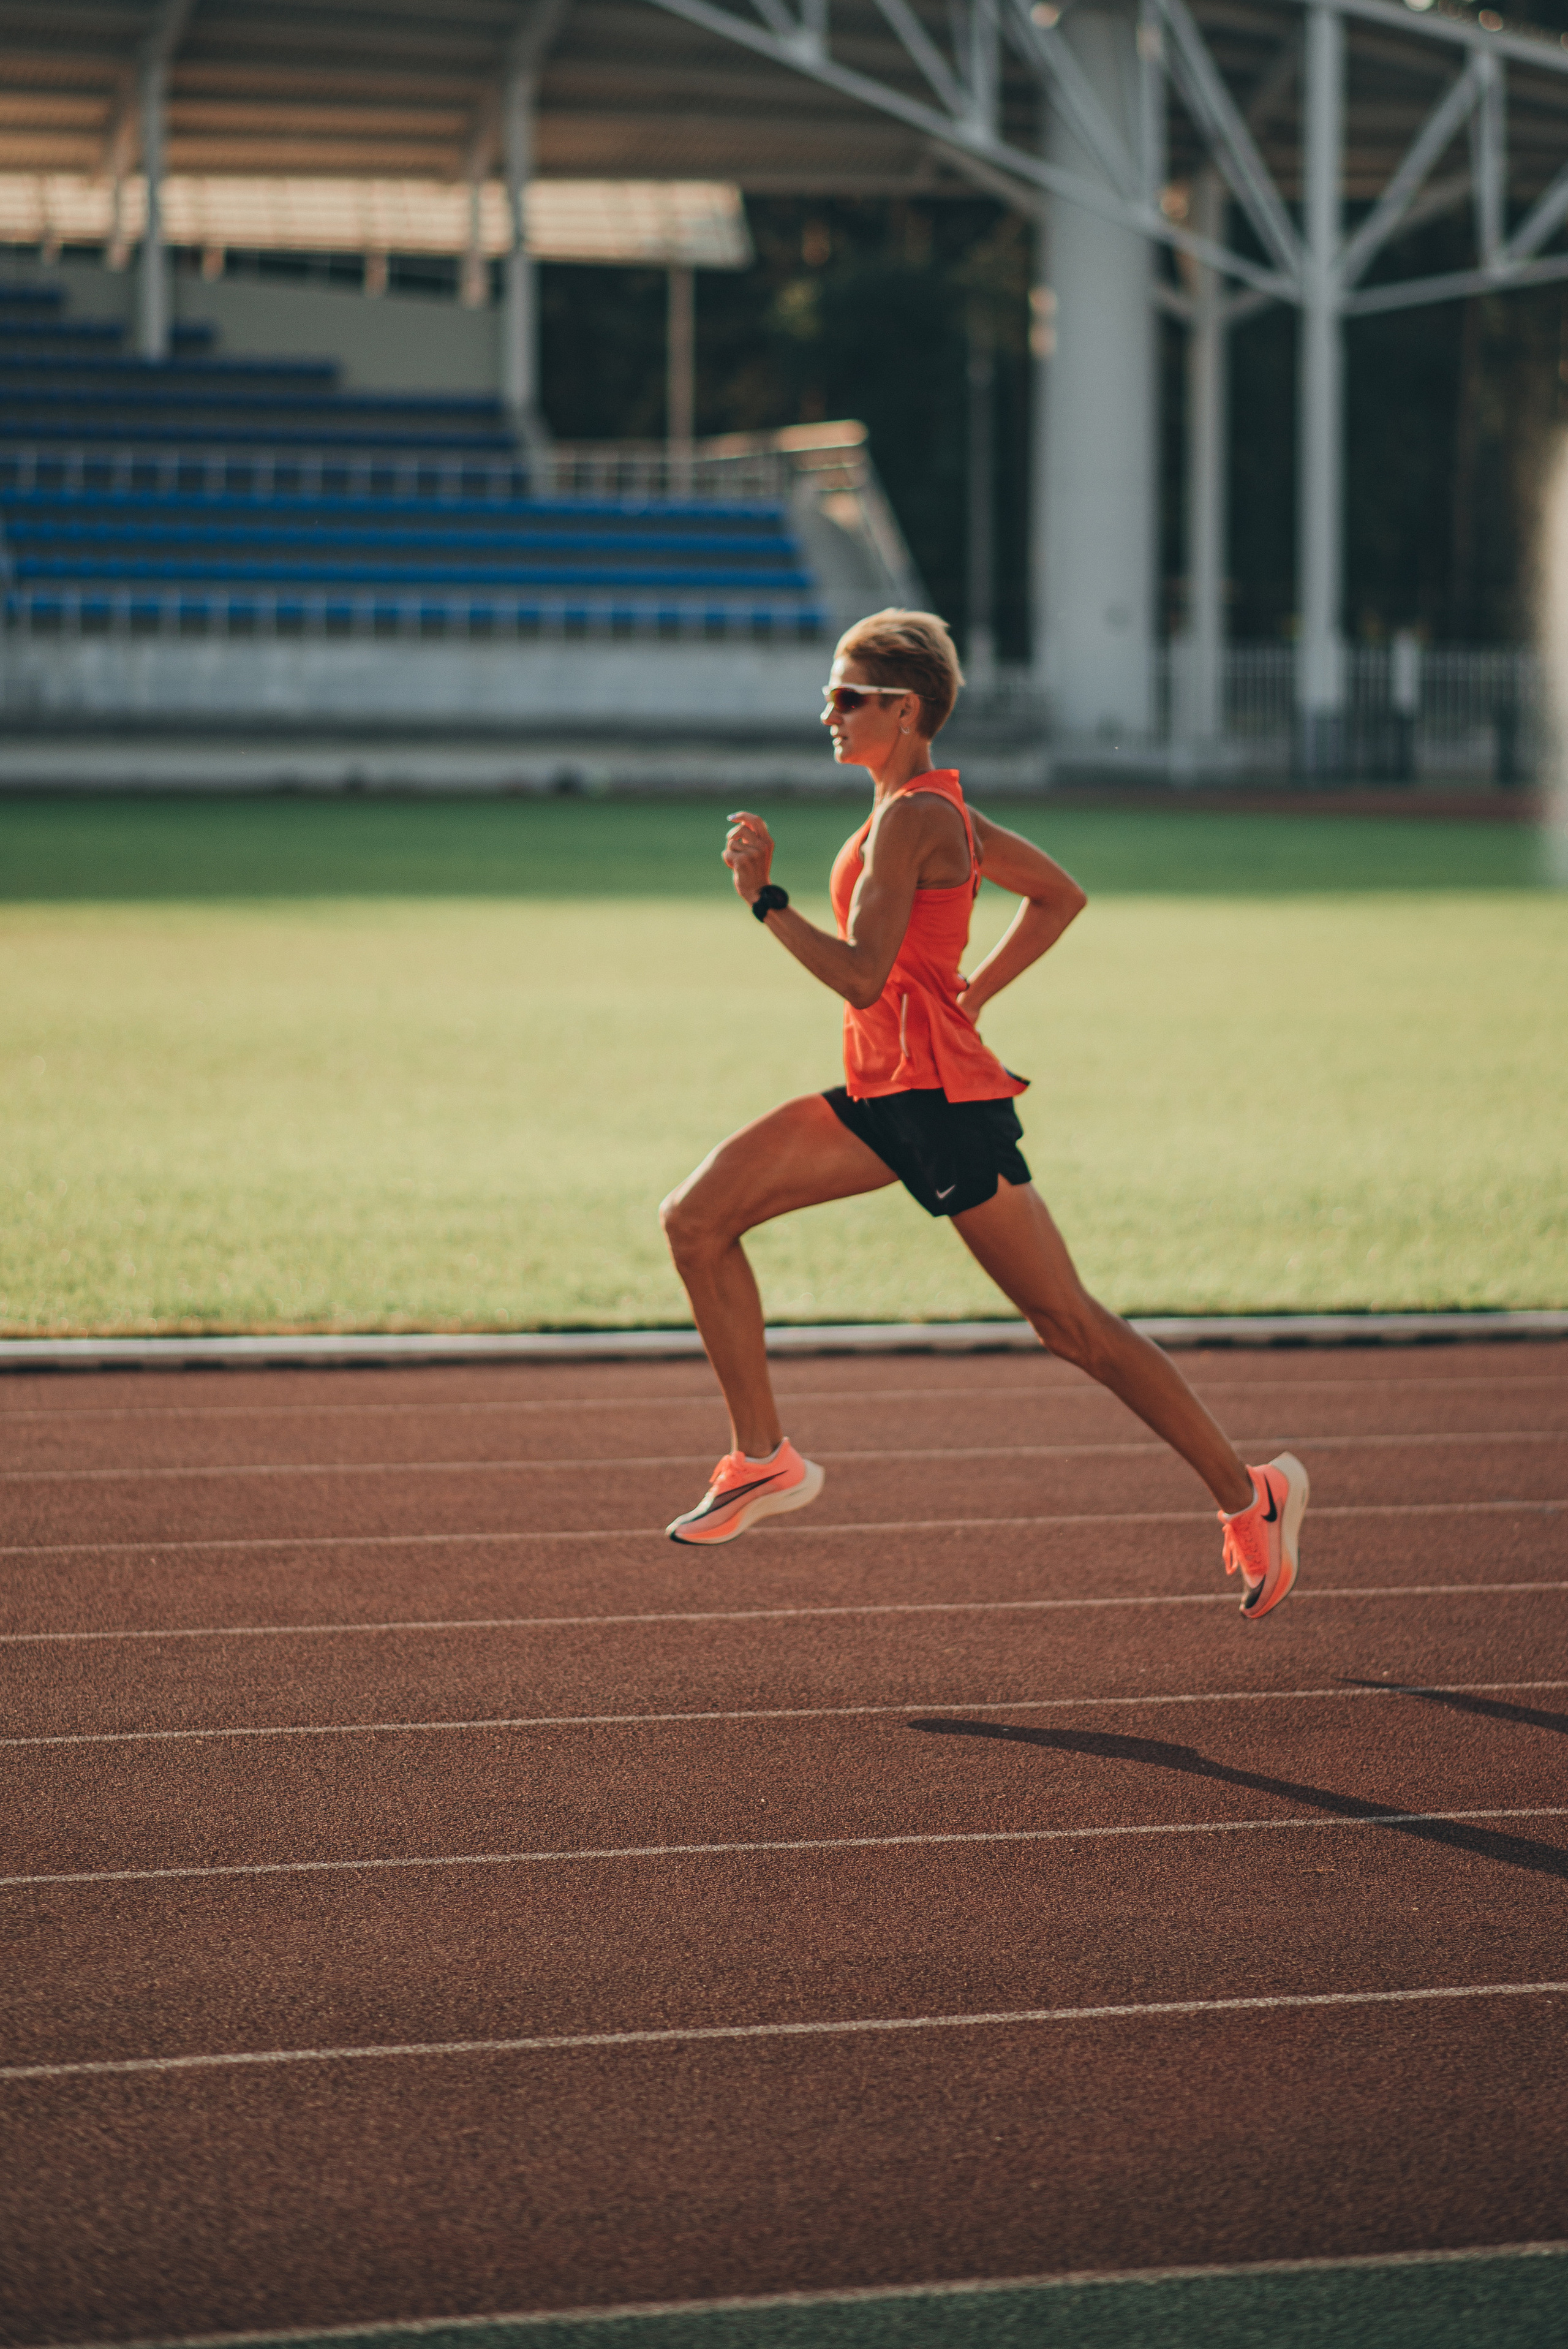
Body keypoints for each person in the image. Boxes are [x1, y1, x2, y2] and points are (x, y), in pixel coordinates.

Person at [659, 608, 1307, 1619]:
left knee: (1072, 1326)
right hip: (884, 1097)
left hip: (944, 1108)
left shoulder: (918, 817)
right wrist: (974, 990)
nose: (826, 711)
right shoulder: (927, 811)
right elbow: (1058, 894)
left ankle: (1250, 1494)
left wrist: (766, 900)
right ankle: (763, 1460)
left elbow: (866, 976)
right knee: (696, 1220)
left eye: (846, 697)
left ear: (903, 709)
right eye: (829, 694)